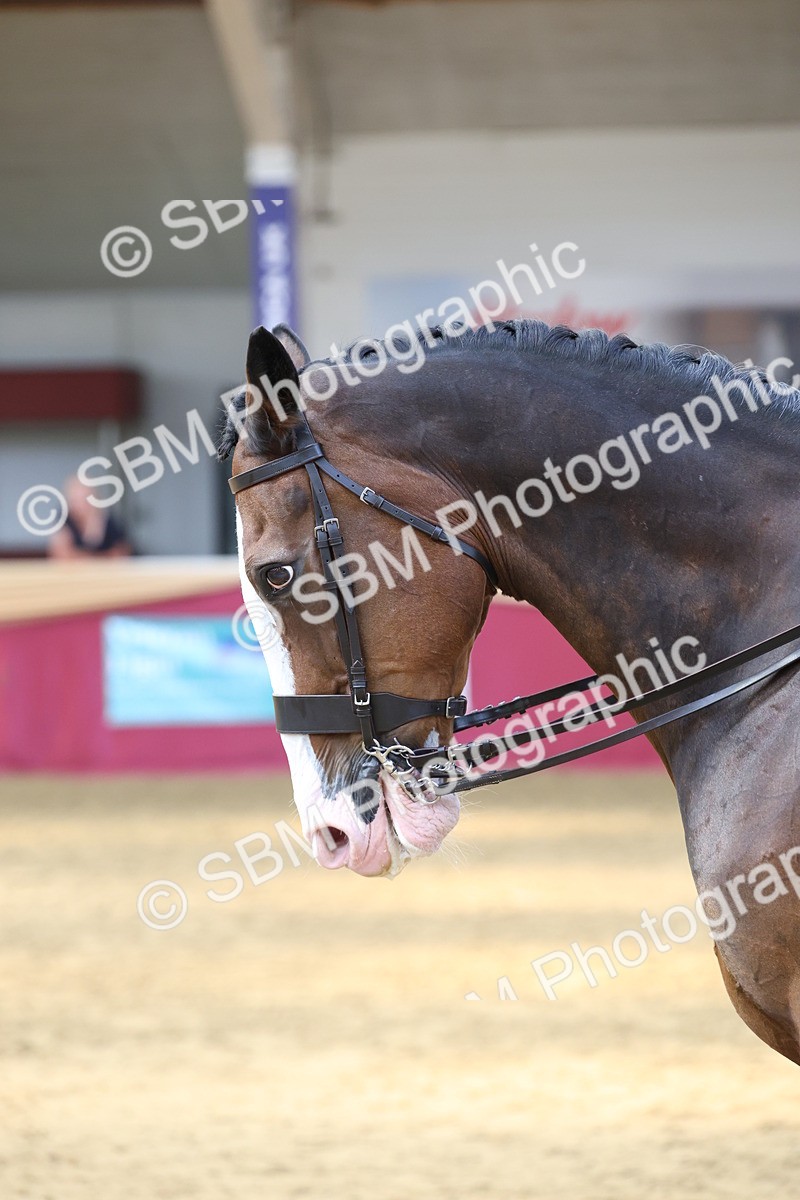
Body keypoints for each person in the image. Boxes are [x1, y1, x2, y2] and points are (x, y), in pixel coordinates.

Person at [48, 476, 132, 559]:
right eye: (76, 500)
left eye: (84, 499)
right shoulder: (63, 519)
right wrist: (101, 558)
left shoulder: (109, 521)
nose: (80, 506)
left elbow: (121, 554)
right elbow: (61, 555)